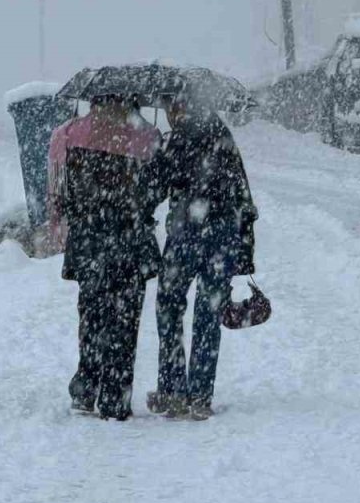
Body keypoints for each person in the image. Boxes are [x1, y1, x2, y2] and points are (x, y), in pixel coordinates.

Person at [46, 95, 161, 420]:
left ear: (92, 99)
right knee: (125, 322)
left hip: (90, 240)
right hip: (131, 242)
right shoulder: (148, 137)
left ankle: (85, 389)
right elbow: (156, 190)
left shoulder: (67, 134)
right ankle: (115, 397)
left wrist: (62, 222)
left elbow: (57, 190)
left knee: (92, 316)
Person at [144, 101, 257, 420]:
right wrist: (244, 247)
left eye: (169, 106)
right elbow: (242, 193)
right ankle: (200, 397)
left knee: (169, 306)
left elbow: (153, 188)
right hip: (223, 234)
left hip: (185, 234)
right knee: (209, 312)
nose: (168, 113)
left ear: (180, 105)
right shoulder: (223, 135)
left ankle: (172, 389)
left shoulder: (173, 140)